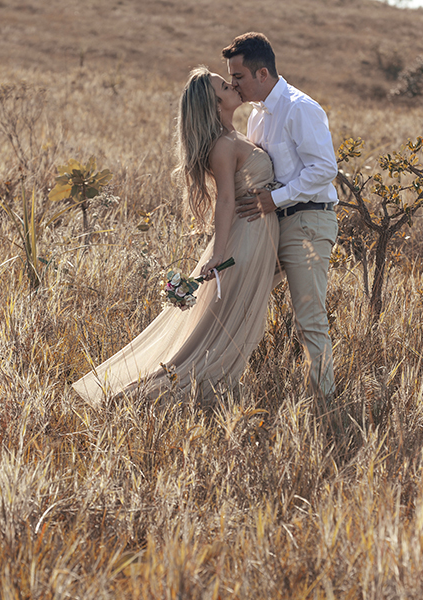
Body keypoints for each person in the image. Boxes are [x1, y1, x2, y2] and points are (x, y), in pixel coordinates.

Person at [72, 67, 280, 407]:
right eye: (226, 86)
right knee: (229, 322)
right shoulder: (224, 147)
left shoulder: (236, 137)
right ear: (215, 104)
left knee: (234, 320)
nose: (235, 88)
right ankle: (173, 390)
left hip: (257, 231)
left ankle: (211, 385)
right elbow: (225, 201)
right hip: (247, 237)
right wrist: (220, 252)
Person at [222, 32, 339, 400]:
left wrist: (277, 198)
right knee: (237, 300)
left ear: (261, 73)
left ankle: (324, 403)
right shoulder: (257, 117)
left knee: (309, 318)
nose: (233, 84)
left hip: (307, 221)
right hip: (270, 225)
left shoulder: (299, 107)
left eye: (238, 77)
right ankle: (223, 383)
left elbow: (324, 168)